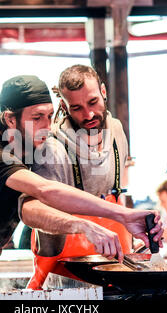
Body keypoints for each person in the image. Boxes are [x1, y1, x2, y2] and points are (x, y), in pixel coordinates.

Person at [0, 74, 163, 294]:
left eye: (50, 116)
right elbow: (45, 190)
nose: (47, 126)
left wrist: (121, 217)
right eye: (37, 117)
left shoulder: (24, 150)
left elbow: (44, 198)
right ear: (10, 119)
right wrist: (102, 220)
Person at [20, 65, 136, 289]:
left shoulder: (116, 131)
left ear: (103, 91)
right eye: (77, 108)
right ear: (64, 106)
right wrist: (84, 226)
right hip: (66, 282)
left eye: (93, 102)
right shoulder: (51, 149)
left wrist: (133, 229)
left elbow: (115, 194)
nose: (89, 114)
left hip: (115, 272)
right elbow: (31, 211)